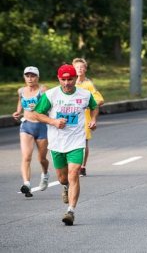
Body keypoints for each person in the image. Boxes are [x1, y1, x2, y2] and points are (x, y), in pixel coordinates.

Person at [32, 64, 98, 226]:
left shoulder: (84, 94)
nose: (67, 83)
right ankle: (66, 187)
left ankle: (71, 211)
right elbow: (37, 114)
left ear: (76, 78)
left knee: (74, 173)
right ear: (59, 79)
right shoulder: (50, 95)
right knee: (63, 178)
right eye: (64, 79)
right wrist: (53, 121)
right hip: (57, 142)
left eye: (70, 79)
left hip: (76, 141)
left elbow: (94, 107)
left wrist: (94, 119)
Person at [12, 66, 49, 197]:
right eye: (27, 76)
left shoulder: (43, 90)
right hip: (26, 126)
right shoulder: (21, 90)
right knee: (26, 156)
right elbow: (20, 102)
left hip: (42, 126)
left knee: (42, 158)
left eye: (33, 76)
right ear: (24, 77)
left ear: (37, 77)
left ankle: (45, 174)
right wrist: (18, 112)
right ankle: (26, 184)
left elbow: (50, 104)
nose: (30, 78)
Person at [72, 58, 104, 177]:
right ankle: (73, 164)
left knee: (83, 143)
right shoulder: (70, 83)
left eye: (81, 67)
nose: (79, 69)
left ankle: (82, 167)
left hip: (85, 118)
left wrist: (88, 105)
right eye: (77, 67)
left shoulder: (88, 84)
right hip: (72, 117)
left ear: (85, 69)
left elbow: (100, 100)